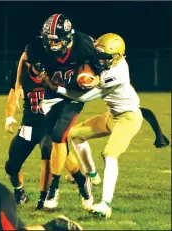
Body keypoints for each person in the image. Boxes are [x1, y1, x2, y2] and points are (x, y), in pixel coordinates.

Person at [42, 33, 145, 218]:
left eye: (105, 57)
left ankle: (106, 204)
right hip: (111, 115)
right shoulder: (106, 63)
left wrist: (55, 87)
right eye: (99, 55)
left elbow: (82, 97)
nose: (100, 60)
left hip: (128, 118)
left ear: (118, 56)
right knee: (73, 134)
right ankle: (92, 175)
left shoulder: (117, 73)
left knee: (109, 154)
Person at [14, 13, 97, 210]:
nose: (52, 44)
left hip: (72, 96)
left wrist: (96, 79)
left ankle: (54, 188)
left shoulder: (83, 44)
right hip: (50, 96)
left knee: (59, 136)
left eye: (56, 40)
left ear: (68, 37)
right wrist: (18, 82)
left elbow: (101, 61)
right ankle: (82, 181)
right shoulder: (36, 48)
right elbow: (25, 58)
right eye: (49, 39)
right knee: (54, 146)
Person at [4, 60, 52, 209]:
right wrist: (9, 117)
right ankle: (20, 193)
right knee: (12, 165)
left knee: (49, 157)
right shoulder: (22, 75)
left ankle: (48, 194)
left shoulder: (54, 70)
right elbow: (13, 95)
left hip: (49, 126)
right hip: (29, 126)